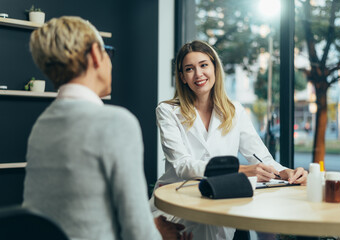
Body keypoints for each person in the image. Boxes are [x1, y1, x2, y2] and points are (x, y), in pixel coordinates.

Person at [22, 16, 191, 240]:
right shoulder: (116, 122)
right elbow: (138, 234)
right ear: (95, 54)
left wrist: (151, 226)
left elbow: (73, 212)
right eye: (107, 53)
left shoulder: (42, 125)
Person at [151, 40, 308, 240]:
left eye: (204, 65)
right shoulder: (167, 111)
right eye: (189, 69)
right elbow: (183, 166)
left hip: (220, 200)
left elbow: (260, 157)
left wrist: (286, 172)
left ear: (215, 68)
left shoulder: (235, 111)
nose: (198, 74)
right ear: (182, 77)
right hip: (177, 203)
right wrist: (239, 171)